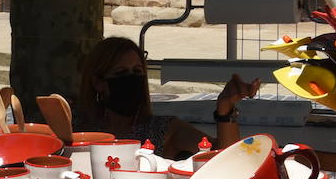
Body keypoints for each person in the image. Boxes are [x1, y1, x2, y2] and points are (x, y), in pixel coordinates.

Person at [77, 36, 259, 158]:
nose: (131, 79)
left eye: (137, 71)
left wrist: (225, 109)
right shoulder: (80, 130)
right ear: (98, 82)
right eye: (121, 73)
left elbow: (223, 157)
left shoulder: (163, 129)